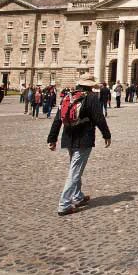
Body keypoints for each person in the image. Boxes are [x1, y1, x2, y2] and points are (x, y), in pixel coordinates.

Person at [47, 74, 111, 216]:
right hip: (84, 139)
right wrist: (106, 134)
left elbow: (58, 119)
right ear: (90, 86)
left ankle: (77, 196)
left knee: (75, 168)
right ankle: (64, 204)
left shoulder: (67, 96)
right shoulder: (91, 98)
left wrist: (52, 138)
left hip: (68, 138)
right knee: (75, 171)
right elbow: (99, 117)